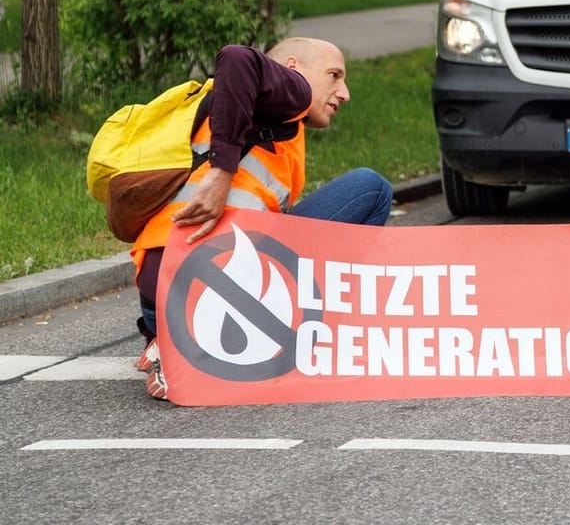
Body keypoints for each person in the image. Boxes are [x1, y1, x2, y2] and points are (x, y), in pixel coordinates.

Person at [127, 38, 392, 401]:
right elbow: (236, 57)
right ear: (293, 68)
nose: (343, 92)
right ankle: (316, 336)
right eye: (333, 76)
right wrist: (222, 170)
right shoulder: (291, 91)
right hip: (203, 284)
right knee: (372, 189)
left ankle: (167, 342)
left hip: (160, 294)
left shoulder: (249, 112)